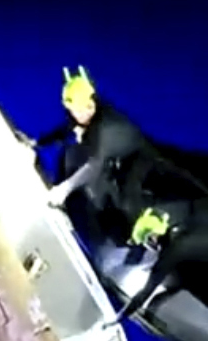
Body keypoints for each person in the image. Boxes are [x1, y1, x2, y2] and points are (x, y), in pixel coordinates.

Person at [20, 65, 152, 237]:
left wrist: (63, 190)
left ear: (93, 102)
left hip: (128, 166)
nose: (81, 114)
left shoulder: (105, 127)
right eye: (75, 111)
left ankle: (125, 232)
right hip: (103, 159)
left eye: (86, 108)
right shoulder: (79, 116)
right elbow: (64, 130)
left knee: (123, 199)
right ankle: (68, 204)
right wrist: (36, 143)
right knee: (70, 155)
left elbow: (95, 164)